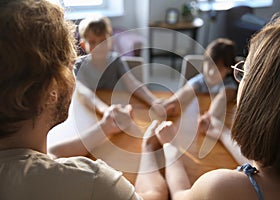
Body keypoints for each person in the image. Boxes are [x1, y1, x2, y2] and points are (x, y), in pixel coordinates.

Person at [0, 1, 168, 199]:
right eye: (70, 64)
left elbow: (51, 153)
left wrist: (105, 127)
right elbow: (153, 194)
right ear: (51, 91)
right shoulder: (94, 183)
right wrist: (149, 149)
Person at [153, 11, 280, 200]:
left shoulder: (221, 189)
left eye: (244, 73)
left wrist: (169, 145)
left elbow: (180, 196)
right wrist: (221, 132)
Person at [75, 15, 159, 114]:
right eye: (93, 42)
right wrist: (105, 110)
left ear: (111, 41)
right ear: (84, 45)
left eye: (103, 41)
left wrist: (155, 102)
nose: (99, 47)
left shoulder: (116, 61)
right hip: (92, 111)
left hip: (118, 108)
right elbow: (84, 92)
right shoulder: (79, 65)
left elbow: (132, 84)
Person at [154, 38, 238, 132]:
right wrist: (170, 102)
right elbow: (187, 90)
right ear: (204, 62)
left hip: (214, 120)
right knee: (188, 91)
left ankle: (208, 119)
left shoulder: (229, 84)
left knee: (224, 95)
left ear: (229, 69)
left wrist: (209, 117)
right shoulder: (201, 79)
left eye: (219, 69)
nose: (211, 72)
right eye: (210, 65)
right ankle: (168, 105)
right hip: (191, 120)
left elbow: (222, 99)